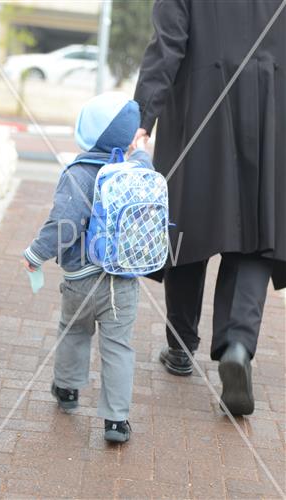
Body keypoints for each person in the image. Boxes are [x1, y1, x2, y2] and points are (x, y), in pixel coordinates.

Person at [132, 0, 286, 415]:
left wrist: (143, 119)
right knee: (256, 239)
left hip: (201, 109)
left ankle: (181, 348)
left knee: (187, 225)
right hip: (272, 109)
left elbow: (166, 48)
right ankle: (237, 345)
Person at [23, 92, 153, 442]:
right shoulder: (137, 171)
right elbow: (143, 161)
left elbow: (61, 223)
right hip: (123, 284)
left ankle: (67, 391)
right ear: (127, 137)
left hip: (80, 281)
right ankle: (116, 421)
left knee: (73, 331)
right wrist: (139, 147)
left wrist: (36, 254)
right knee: (118, 348)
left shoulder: (79, 174)